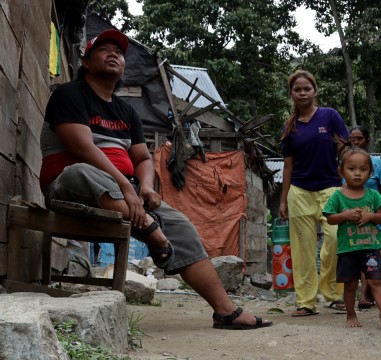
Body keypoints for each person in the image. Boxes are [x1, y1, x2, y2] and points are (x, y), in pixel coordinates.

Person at [39, 29, 271, 330]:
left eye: (119, 52)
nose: (114, 54)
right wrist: (127, 189)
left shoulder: (126, 111)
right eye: (104, 49)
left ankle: (225, 311)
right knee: (81, 170)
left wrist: (145, 186)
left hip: (126, 195)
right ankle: (149, 228)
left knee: (182, 225)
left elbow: (143, 159)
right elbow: (82, 148)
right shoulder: (69, 95)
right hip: (69, 186)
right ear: (85, 62)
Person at [279, 70, 350, 316]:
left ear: (314, 91)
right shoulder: (290, 126)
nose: (302, 93)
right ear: (291, 94)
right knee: (302, 249)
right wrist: (283, 200)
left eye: (306, 88)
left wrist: (349, 185)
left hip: (331, 188)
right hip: (299, 191)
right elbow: (287, 165)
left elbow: (345, 150)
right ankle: (305, 302)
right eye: (297, 89)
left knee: (333, 239)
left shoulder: (329, 116)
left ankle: (333, 293)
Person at [323, 142, 381, 330]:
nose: (357, 173)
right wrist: (345, 216)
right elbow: (330, 219)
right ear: (341, 172)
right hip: (348, 249)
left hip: (370, 247)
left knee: (376, 281)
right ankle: (351, 314)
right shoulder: (338, 197)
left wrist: (371, 216)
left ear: (370, 173)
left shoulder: (372, 195)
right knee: (349, 285)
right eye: (352, 168)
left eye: (363, 169)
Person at [348, 125, 381, 309]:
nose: (356, 142)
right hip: (352, 216)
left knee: (371, 253)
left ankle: (365, 293)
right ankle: (365, 292)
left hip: (373, 216)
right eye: (352, 139)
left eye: (359, 138)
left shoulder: (377, 163)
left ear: (366, 141)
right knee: (357, 254)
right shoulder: (345, 163)